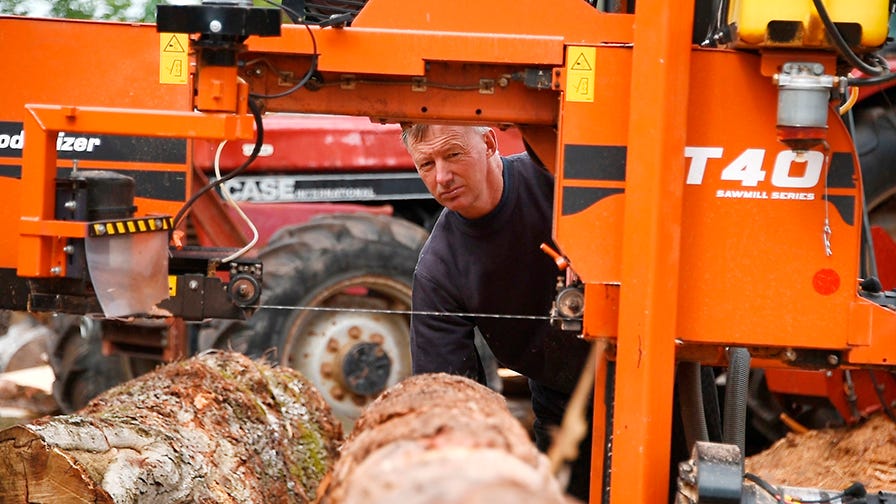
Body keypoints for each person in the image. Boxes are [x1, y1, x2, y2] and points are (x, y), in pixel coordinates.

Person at [401, 124, 593, 501]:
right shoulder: (438, 270)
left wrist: (595, 248)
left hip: (659, 378)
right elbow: (446, 397)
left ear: (489, 143)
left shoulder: (558, 176)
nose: (442, 176)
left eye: (453, 154)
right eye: (426, 164)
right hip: (561, 398)